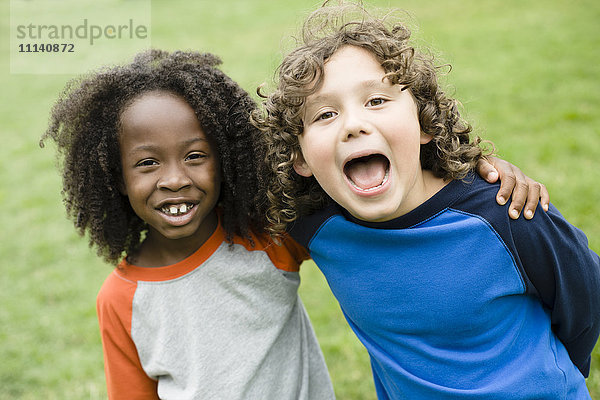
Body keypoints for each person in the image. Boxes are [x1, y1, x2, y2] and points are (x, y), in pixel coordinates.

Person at [252, 2, 600, 399]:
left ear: (425, 123)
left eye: (377, 101)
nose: (353, 125)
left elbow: (585, 295)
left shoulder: (505, 212)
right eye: (325, 115)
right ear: (299, 158)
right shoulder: (317, 227)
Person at [40, 50, 335, 400]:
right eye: (148, 162)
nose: (175, 179)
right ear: (117, 178)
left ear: (225, 160)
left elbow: (361, 245)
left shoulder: (265, 234)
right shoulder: (121, 300)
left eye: (195, 156)